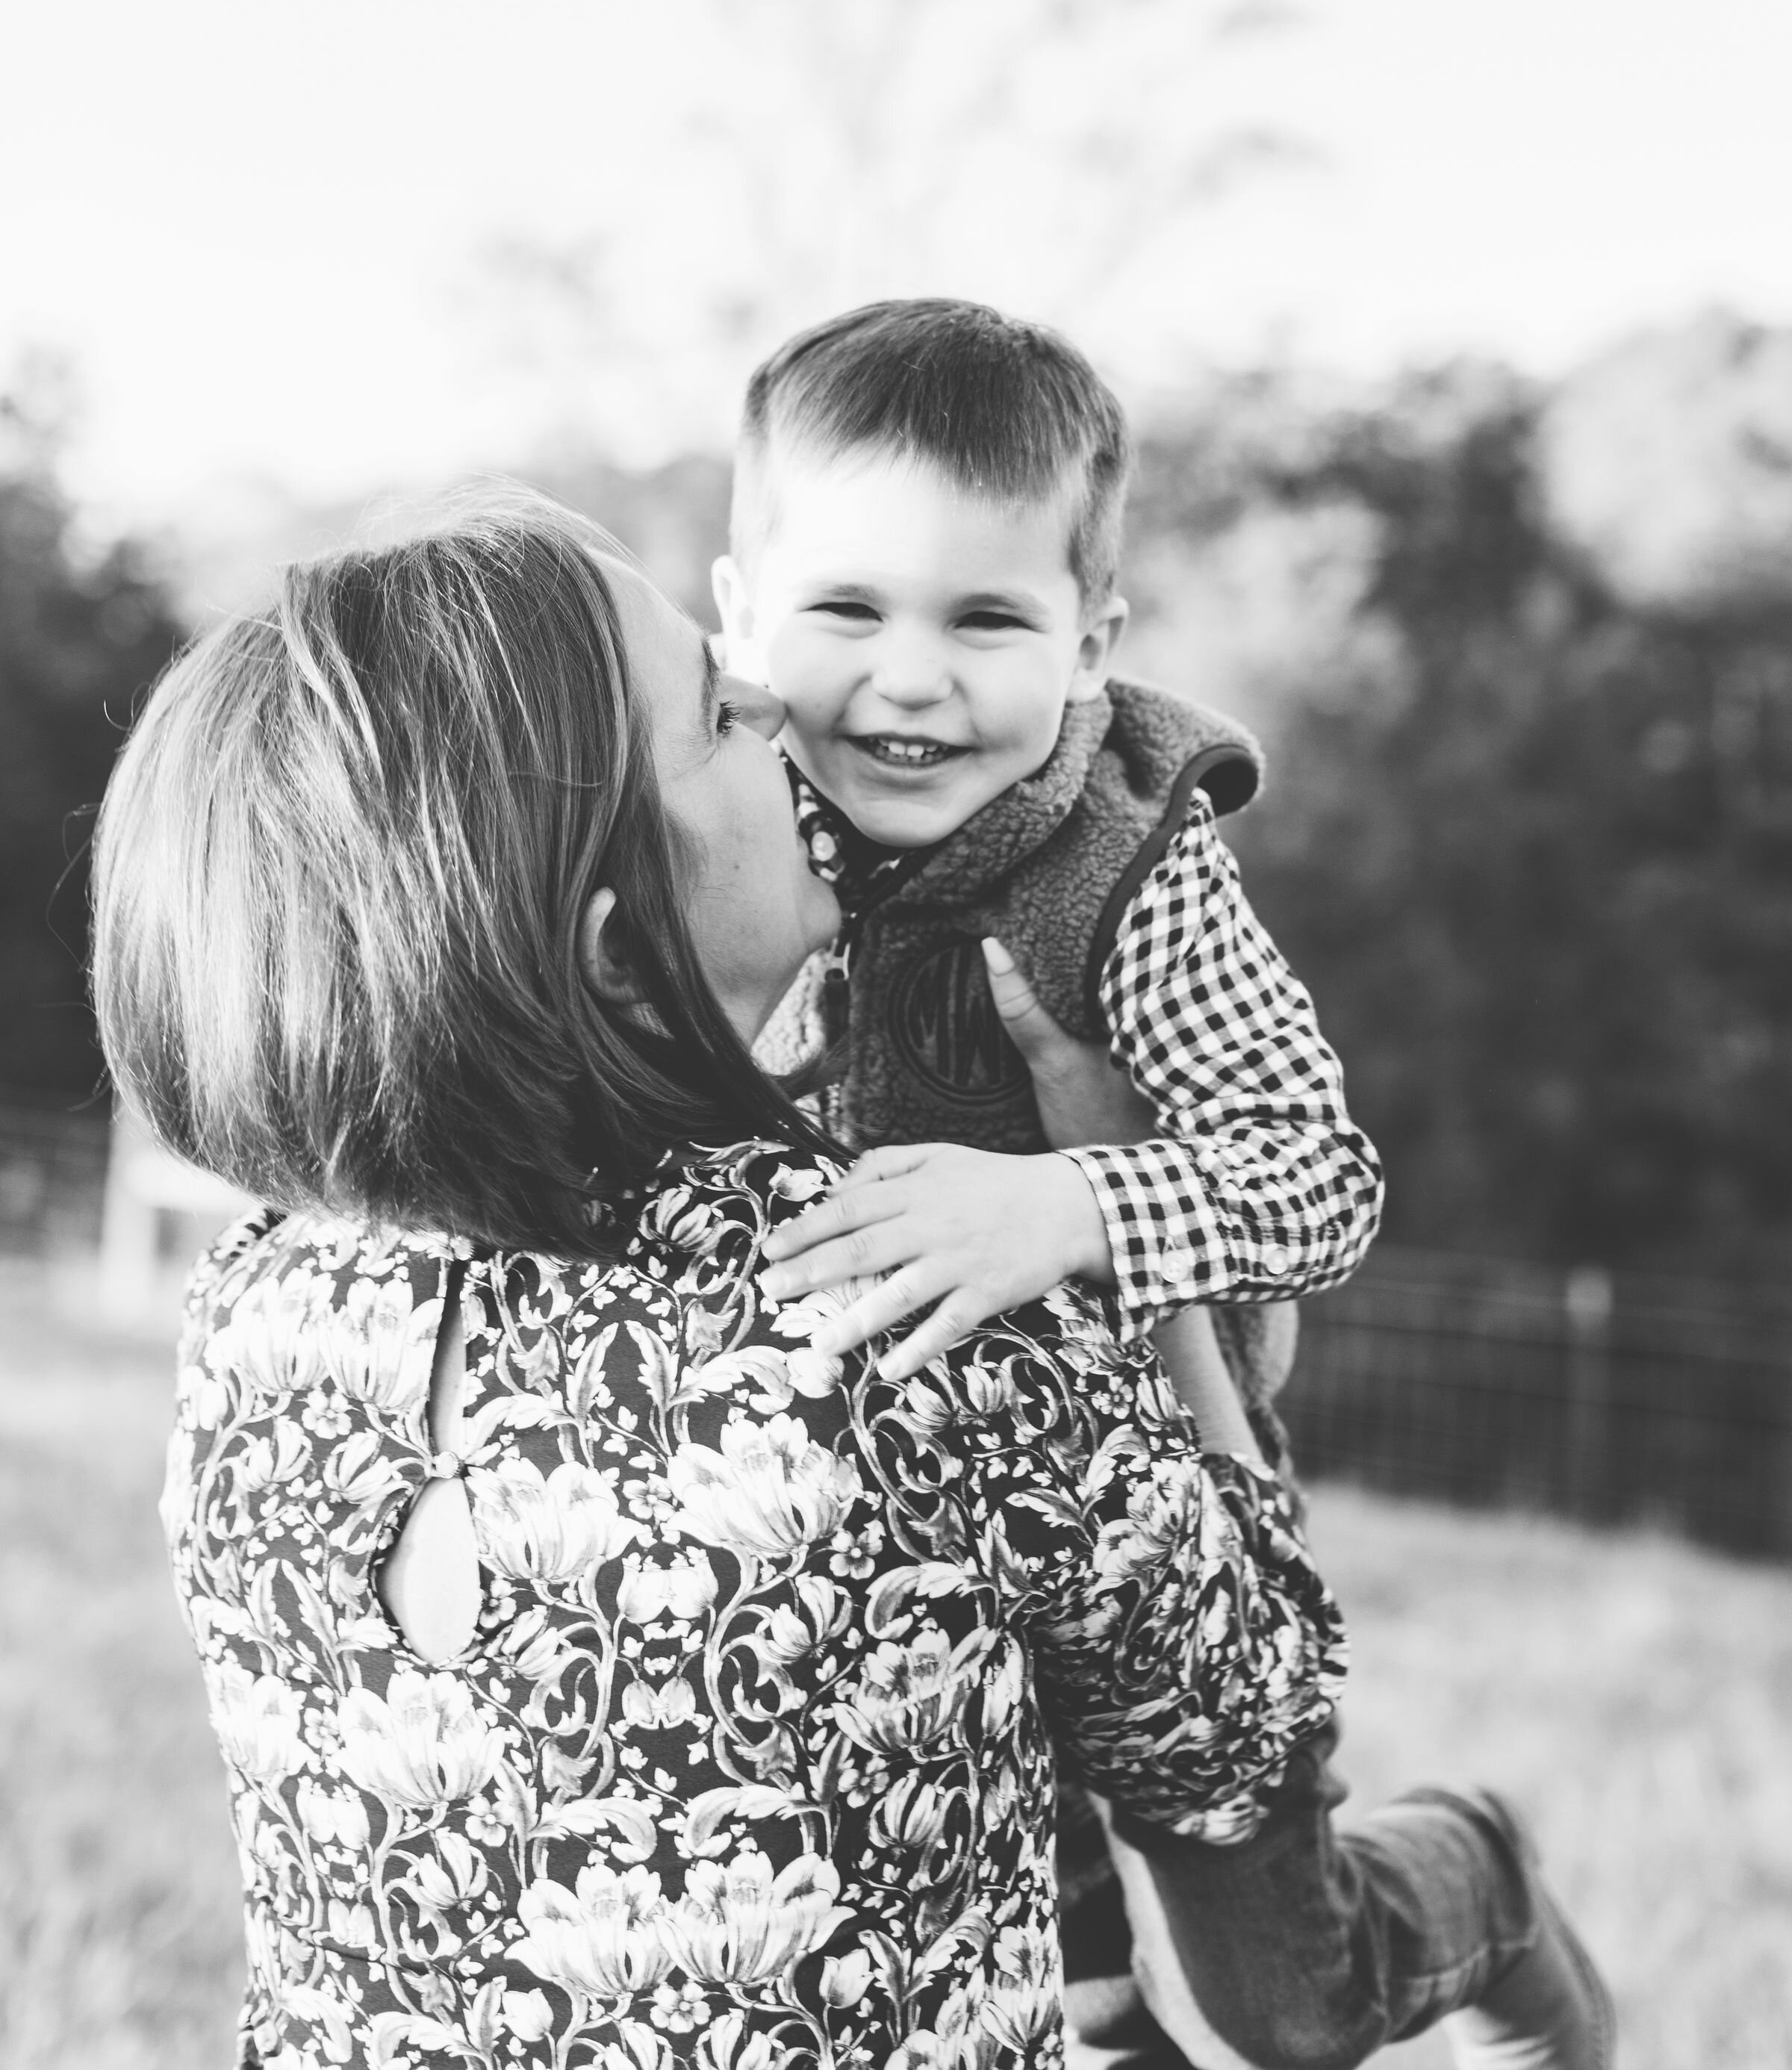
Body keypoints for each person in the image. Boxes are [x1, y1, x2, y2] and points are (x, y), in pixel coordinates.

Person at [90, 496, 1346, 2070]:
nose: (777, 703)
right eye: (711, 712)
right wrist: (1122, 1212)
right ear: (622, 959)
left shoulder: (249, 1316)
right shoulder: (902, 1307)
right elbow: (1246, 1732)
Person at [710, 300, 1615, 2070]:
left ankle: (1478, 1877)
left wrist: (1068, 1205)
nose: (910, 678)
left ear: (1093, 638)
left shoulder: (1129, 871)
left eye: (987, 618)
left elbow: (1320, 1176)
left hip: (1165, 1492)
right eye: (846, 610)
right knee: (1058, 1997)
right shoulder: (715, 824)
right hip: (898, 1524)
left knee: (1288, 2006)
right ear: (741, 616)